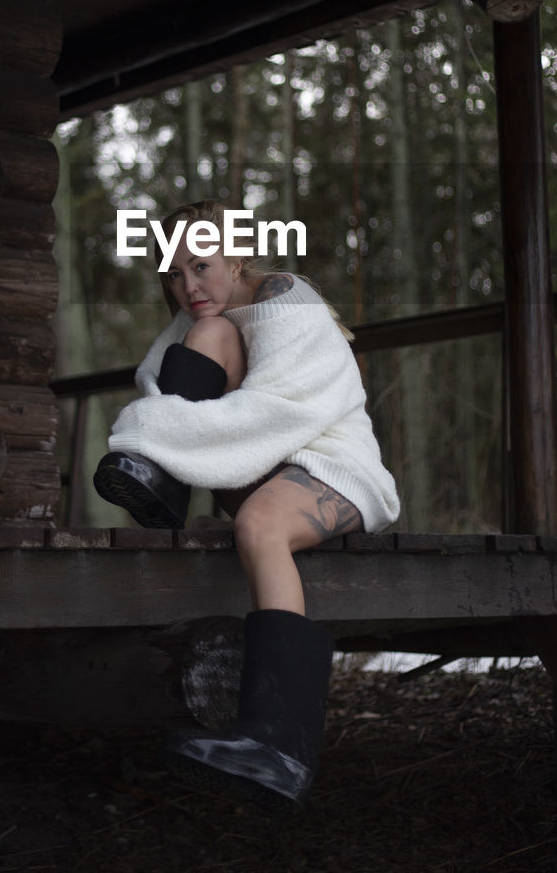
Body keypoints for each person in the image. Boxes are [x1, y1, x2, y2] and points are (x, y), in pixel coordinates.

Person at [93, 199, 400, 807]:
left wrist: (147, 435)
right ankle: (165, 485)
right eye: (174, 274)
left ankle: (280, 745)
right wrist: (153, 436)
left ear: (238, 256)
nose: (188, 286)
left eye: (201, 267)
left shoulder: (289, 302)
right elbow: (159, 385)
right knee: (208, 334)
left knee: (259, 526)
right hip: (261, 462)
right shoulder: (203, 317)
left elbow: (276, 414)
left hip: (330, 463)